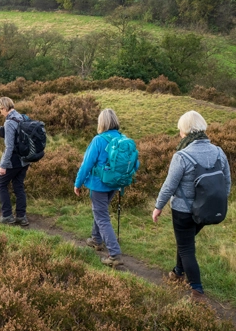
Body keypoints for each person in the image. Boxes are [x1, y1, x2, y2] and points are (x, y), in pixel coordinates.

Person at [152, 110, 231, 302]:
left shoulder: (182, 156)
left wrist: (158, 207)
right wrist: (217, 201)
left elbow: (169, 186)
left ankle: (197, 291)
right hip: (208, 210)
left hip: (183, 211)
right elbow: (226, 182)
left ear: (185, 131)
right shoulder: (219, 152)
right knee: (185, 241)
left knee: (186, 248)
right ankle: (178, 272)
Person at [74, 108, 139, 267]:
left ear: (101, 122)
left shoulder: (99, 140)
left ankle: (115, 254)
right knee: (101, 210)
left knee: (101, 215)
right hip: (116, 184)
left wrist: (78, 183)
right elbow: (135, 164)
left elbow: (86, 164)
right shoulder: (124, 139)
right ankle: (96, 239)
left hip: (99, 184)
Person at [0, 97, 30, 226]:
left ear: (4, 108)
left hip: (14, 161)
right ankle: (21, 216)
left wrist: (3, 166)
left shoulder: (9, 122)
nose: (1, 114)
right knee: (18, 186)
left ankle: (7, 216)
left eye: (0, 111)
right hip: (25, 160)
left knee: (0, 184)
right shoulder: (21, 117)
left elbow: (9, 147)